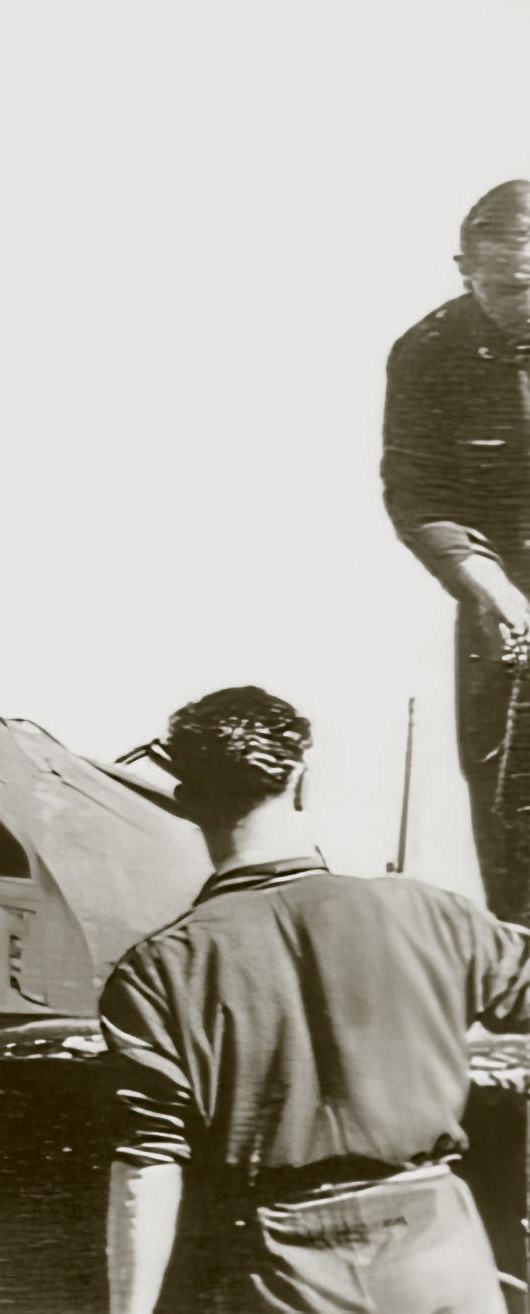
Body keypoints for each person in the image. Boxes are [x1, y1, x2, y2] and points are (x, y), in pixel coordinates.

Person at [99, 686, 530, 1314]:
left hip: (285, 1274)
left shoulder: (157, 969)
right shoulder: (434, 915)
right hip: (438, 1261)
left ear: (186, 800)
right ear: (302, 780)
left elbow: (148, 1161)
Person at [382, 179, 530, 923]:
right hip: (503, 616)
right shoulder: (428, 353)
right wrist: (493, 592)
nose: (524, 307)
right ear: (465, 270)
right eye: (508, 289)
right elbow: (419, 494)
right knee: (515, 831)